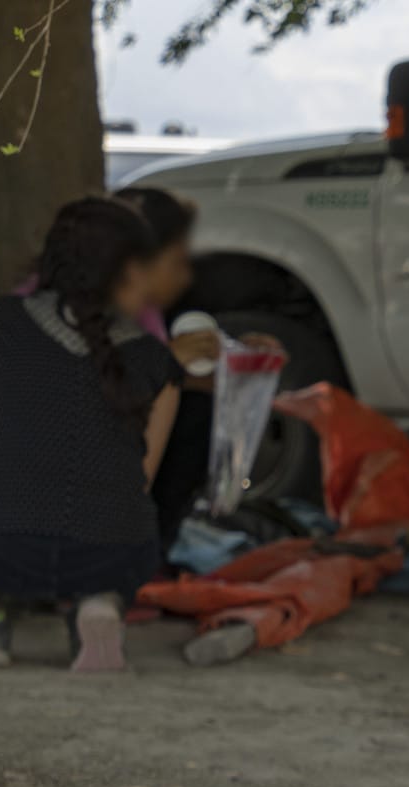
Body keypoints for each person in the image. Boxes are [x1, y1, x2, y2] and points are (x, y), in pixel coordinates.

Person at [0, 197, 183, 671]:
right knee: (124, 511)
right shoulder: (159, 362)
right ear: (129, 273)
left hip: (1, 551)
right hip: (113, 556)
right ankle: (101, 605)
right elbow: (140, 483)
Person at [111, 185, 285, 556]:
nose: (186, 277)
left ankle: (147, 547)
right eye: (176, 262)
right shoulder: (69, 309)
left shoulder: (145, 314)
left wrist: (239, 360)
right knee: (187, 405)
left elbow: (179, 381)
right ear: (134, 263)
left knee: (196, 405)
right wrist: (165, 362)